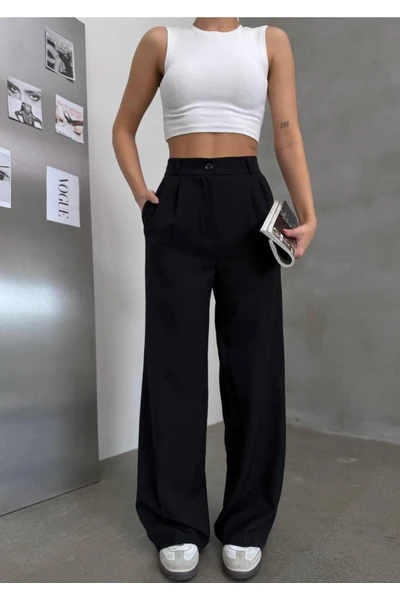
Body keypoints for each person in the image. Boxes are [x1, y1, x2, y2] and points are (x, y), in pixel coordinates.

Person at [112, 17, 317, 582]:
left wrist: (307, 211)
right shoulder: (162, 41)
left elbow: (286, 132)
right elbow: (123, 128)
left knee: (254, 367)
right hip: (177, 199)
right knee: (173, 366)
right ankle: (176, 522)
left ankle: (247, 520)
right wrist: (143, 195)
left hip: (248, 202)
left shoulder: (268, 41)